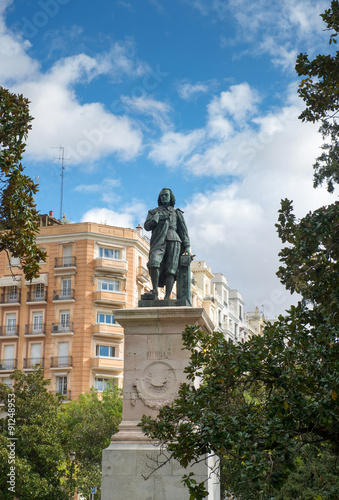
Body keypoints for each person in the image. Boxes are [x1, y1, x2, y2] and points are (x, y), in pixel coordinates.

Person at [144, 188, 190, 300]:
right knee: (154, 262)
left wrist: (187, 246)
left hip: (174, 240)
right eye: (162, 195)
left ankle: (167, 297)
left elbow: (183, 230)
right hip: (158, 240)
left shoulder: (176, 213)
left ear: (171, 197)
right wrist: (154, 220)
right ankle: (154, 291)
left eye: (166, 195)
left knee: (171, 269)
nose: (164, 197)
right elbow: (146, 226)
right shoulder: (153, 212)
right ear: (159, 198)